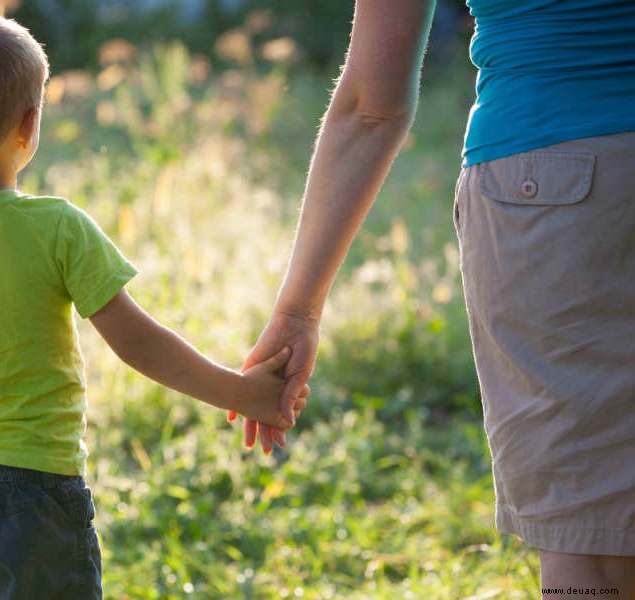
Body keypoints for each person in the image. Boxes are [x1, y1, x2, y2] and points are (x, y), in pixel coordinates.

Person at [0, 11, 306, 599]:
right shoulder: (57, 227)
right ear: (30, 124)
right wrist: (241, 391)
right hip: (34, 493)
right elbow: (138, 343)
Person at [229, 0, 635, 596]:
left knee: (590, 539)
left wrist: (298, 310)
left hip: (556, 185)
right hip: (557, 186)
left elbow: (374, 105)